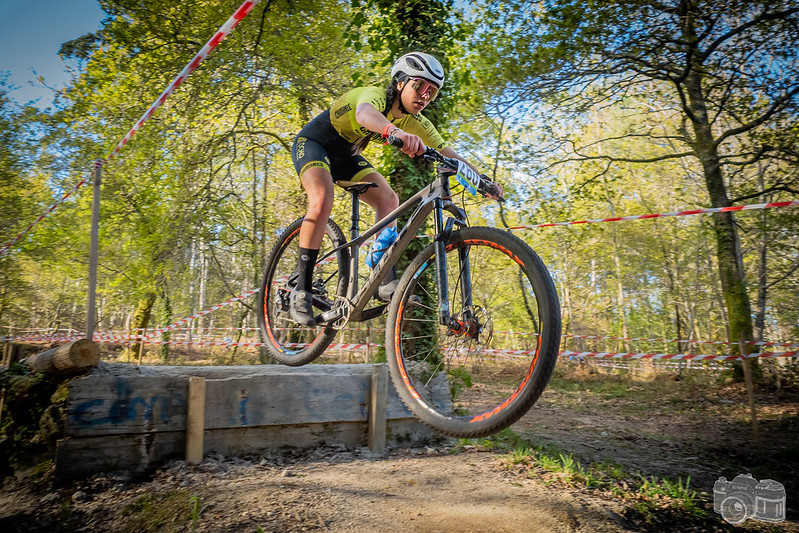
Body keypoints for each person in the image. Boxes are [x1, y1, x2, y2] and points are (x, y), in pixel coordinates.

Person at [289, 52, 500, 326]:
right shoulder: (375, 95)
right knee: (321, 200)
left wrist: (481, 180)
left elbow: (447, 152)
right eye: (419, 86)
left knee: (389, 200)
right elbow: (364, 113)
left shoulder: (416, 121)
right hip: (315, 143)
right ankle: (301, 290)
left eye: (432, 92)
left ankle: (382, 280)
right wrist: (394, 132)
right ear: (400, 83)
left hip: (347, 155)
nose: (425, 95)